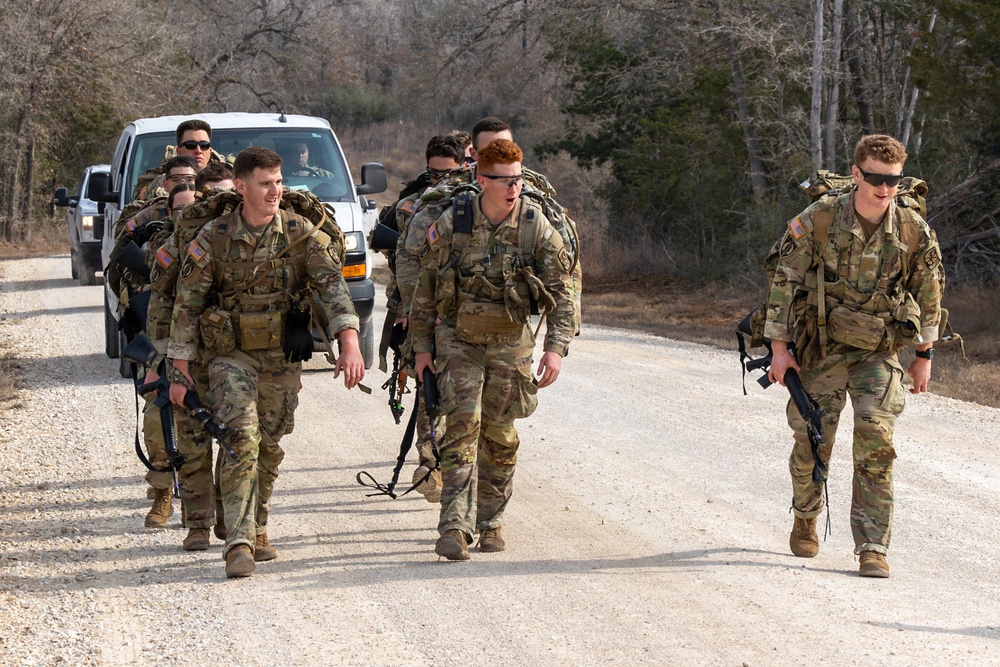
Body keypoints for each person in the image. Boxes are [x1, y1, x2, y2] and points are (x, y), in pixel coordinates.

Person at [167, 146, 364, 578]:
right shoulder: (214, 237)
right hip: (228, 356)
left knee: (269, 447)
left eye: (278, 182)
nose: (275, 190)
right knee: (242, 437)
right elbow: (187, 306)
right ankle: (238, 543)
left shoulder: (300, 233)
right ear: (241, 187)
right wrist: (178, 372)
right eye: (265, 183)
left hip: (280, 358)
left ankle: (256, 526)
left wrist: (349, 339)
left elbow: (332, 289)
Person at [764, 134, 942, 578]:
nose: (885, 189)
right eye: (877, 179)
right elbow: (784, 281)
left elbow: (931, 291)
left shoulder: (911, 228)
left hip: (878, 352)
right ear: (858, 174)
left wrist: (924, 354)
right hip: (821, 347)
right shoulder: (820, 219)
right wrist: (780, 351)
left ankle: (872, 546)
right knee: (811, 437)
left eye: (894, 180)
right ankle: (806, 514)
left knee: (877, 444)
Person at [410, 139, 575, 561]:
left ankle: (490, 522)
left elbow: (562, 291)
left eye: (518, 179)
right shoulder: (453, 223)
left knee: (500, 436)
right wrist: (422, 348)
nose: (513, 188)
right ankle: (454, 527)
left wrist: (555, 348)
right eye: (504, 180)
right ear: (482, 180)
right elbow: (425, 288)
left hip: (509, 342)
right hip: (459, 339)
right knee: (462, 426)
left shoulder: (535, 226)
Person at [379, 134, 465, 501]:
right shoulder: (410, 207)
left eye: (446, 173)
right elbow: (401, 263)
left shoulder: (472, 205)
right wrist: (404, 312)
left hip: (464, 315)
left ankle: (451, 464)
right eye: (432, 173)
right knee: (429, 391)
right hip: (420, 311)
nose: (438, 181)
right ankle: (429, 461)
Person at [134, 119, 230, 201]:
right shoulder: (163, 181)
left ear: (209, 151)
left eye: (204, 145)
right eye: (191, 145)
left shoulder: (227, 179)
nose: (198, 151)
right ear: (179, 152)